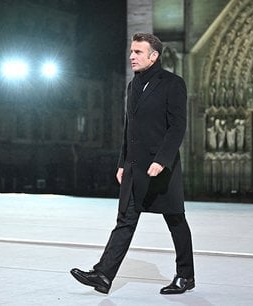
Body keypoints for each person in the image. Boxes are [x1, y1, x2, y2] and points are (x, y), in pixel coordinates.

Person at [70, 33, 194, 295]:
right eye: (131, 52)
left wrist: (162, 160)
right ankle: (103, 275)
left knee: (175, 219)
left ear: (154, 56)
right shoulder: (133, 86)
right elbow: (130, 129)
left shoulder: (173, 84)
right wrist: (122, 162)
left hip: (162, 168)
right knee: (125, 220)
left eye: (138, 52)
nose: (131, 57)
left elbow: (177, 127)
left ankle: (185, 276)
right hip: (135, 167)